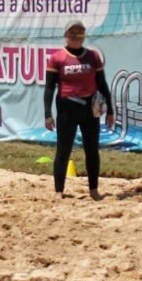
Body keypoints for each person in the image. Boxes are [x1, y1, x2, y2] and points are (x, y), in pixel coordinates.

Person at [44, 21, 115, 200]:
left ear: (84, 34)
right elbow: (49, 88)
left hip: (90, 108)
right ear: (66, 35)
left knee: (92, 150)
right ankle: (59, 191)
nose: (76, 35)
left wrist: (111, 111)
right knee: (63, 150)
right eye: (72, 31)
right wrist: (47, 114)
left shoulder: (93, 56)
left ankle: (93, 190)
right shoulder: (57, 57)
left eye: (80, 31)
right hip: (67, 108)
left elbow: (102, 84)